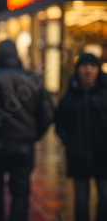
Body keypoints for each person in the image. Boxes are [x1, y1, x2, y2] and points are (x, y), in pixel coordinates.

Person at [0, 39, 54, 221]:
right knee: (21, 194)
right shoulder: (32, 80)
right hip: (23, 146)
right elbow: (47, 114)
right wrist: (33, 135)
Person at [55, 53, 107, 221]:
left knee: (105, 198)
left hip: (103, 155)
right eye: (84, 66)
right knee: (81, 200)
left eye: (92, 66)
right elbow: (60, 123)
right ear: (78, 70)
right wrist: (70, 143)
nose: (88, 70)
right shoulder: (69, 97)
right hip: (78, 156)